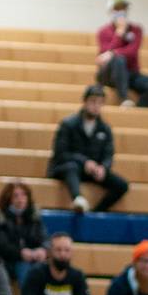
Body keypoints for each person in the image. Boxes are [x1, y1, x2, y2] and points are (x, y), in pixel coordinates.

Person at [48, 85, 131, 215]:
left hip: (92, 171)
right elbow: (60, 153)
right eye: (93, 101)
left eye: (100, 103)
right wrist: (84, 162)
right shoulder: (68, 124)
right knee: (71, 167)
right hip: (67, 168)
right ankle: (78, 199)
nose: (96, 106)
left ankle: (97, 212)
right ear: (85, 102)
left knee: (122, 185)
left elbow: (108, 154)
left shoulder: (105, 128)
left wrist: (103, 167)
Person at [0, 181, 47, 285]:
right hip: (7, 262)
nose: (20, 199)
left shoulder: (34, 217)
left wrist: (43, 250)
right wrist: (20, 253)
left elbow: (45, 239)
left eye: (23, 195)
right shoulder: (0, 218)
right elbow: (0, 245)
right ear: (8, 199)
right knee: (23, 265)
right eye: (15, 196)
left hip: (32, 259)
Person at [96, 0, 148, 104]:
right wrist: (119, 34)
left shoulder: (136, 29)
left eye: (123, 8)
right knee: (119, 60)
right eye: (117, 9)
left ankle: (140, 110)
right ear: (110, 11)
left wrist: (112, 54)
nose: (121, 11)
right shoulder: (103, 32)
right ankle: (124, 98)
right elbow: (104, 57)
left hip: (131, 74)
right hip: (108, 74)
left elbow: (132, 52)